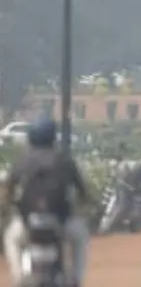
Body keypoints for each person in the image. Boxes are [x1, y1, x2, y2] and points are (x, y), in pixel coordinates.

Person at [3, 118, 92, 287]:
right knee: (81, 237)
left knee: (11, 239)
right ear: (53, 137)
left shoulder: (22, 161)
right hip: (62, 223)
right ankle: (76, 279)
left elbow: (8, 190)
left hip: (27, 224)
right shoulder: (65, 160)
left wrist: (8, 208)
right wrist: (85, 206)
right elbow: (82, 191)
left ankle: (19, 278)